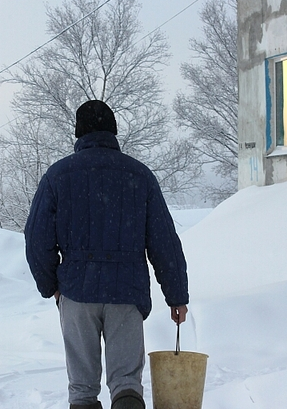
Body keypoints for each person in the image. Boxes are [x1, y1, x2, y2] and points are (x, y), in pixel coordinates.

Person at [24, 99, 189, 409]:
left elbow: (36, 239)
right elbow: (164, 241)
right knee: (127, 383)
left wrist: (53, 286)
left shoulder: (57, 176)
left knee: (83, 388)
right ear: (113, 131)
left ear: (78, 133)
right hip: (125, 294)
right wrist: (176, 295)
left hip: (76, 293)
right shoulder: (138, 175)